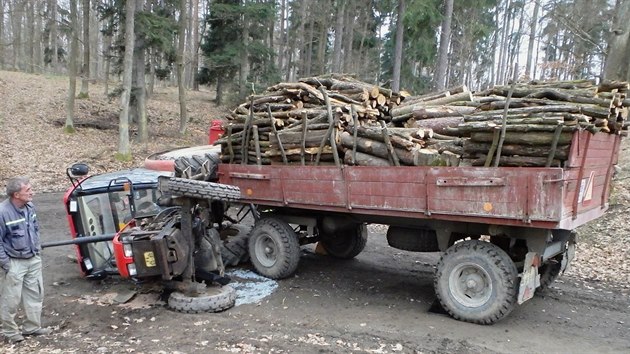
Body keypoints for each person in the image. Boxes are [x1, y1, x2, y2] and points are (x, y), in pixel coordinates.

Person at [0, 177, 51, 344]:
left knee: (35, 294)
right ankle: (10, 332)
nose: (31, 192)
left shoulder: (30, 206)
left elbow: (34, 229)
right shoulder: (2, 212)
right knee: (11, 299)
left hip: (32, 259)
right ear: (16, 194)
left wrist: (36, 252)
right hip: (14, 262)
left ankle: (32, 327)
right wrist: (6, 263)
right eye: (27, 190)